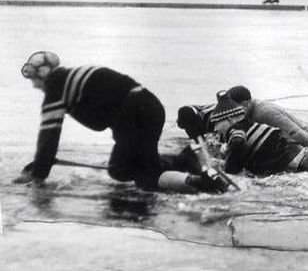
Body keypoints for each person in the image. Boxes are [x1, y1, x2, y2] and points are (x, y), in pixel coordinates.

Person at [13, 51, 229, 194]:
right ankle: (184, 160)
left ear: (43, 74)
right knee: (119, 170)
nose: (34, 86)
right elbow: (99, 121)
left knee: (146, 179)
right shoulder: (75, 74)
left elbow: (48, 138)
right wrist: (44, 161)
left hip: (133, 115)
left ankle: (200, 184)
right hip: (149, 106)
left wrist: (38, 176)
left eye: (33, 80)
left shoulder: (55, 90)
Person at [179, 90, 308, 176]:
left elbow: (304, 138)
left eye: (216, 127)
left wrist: (229, 168)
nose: (214, 131)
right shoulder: (233, 121)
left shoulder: (253, 119)